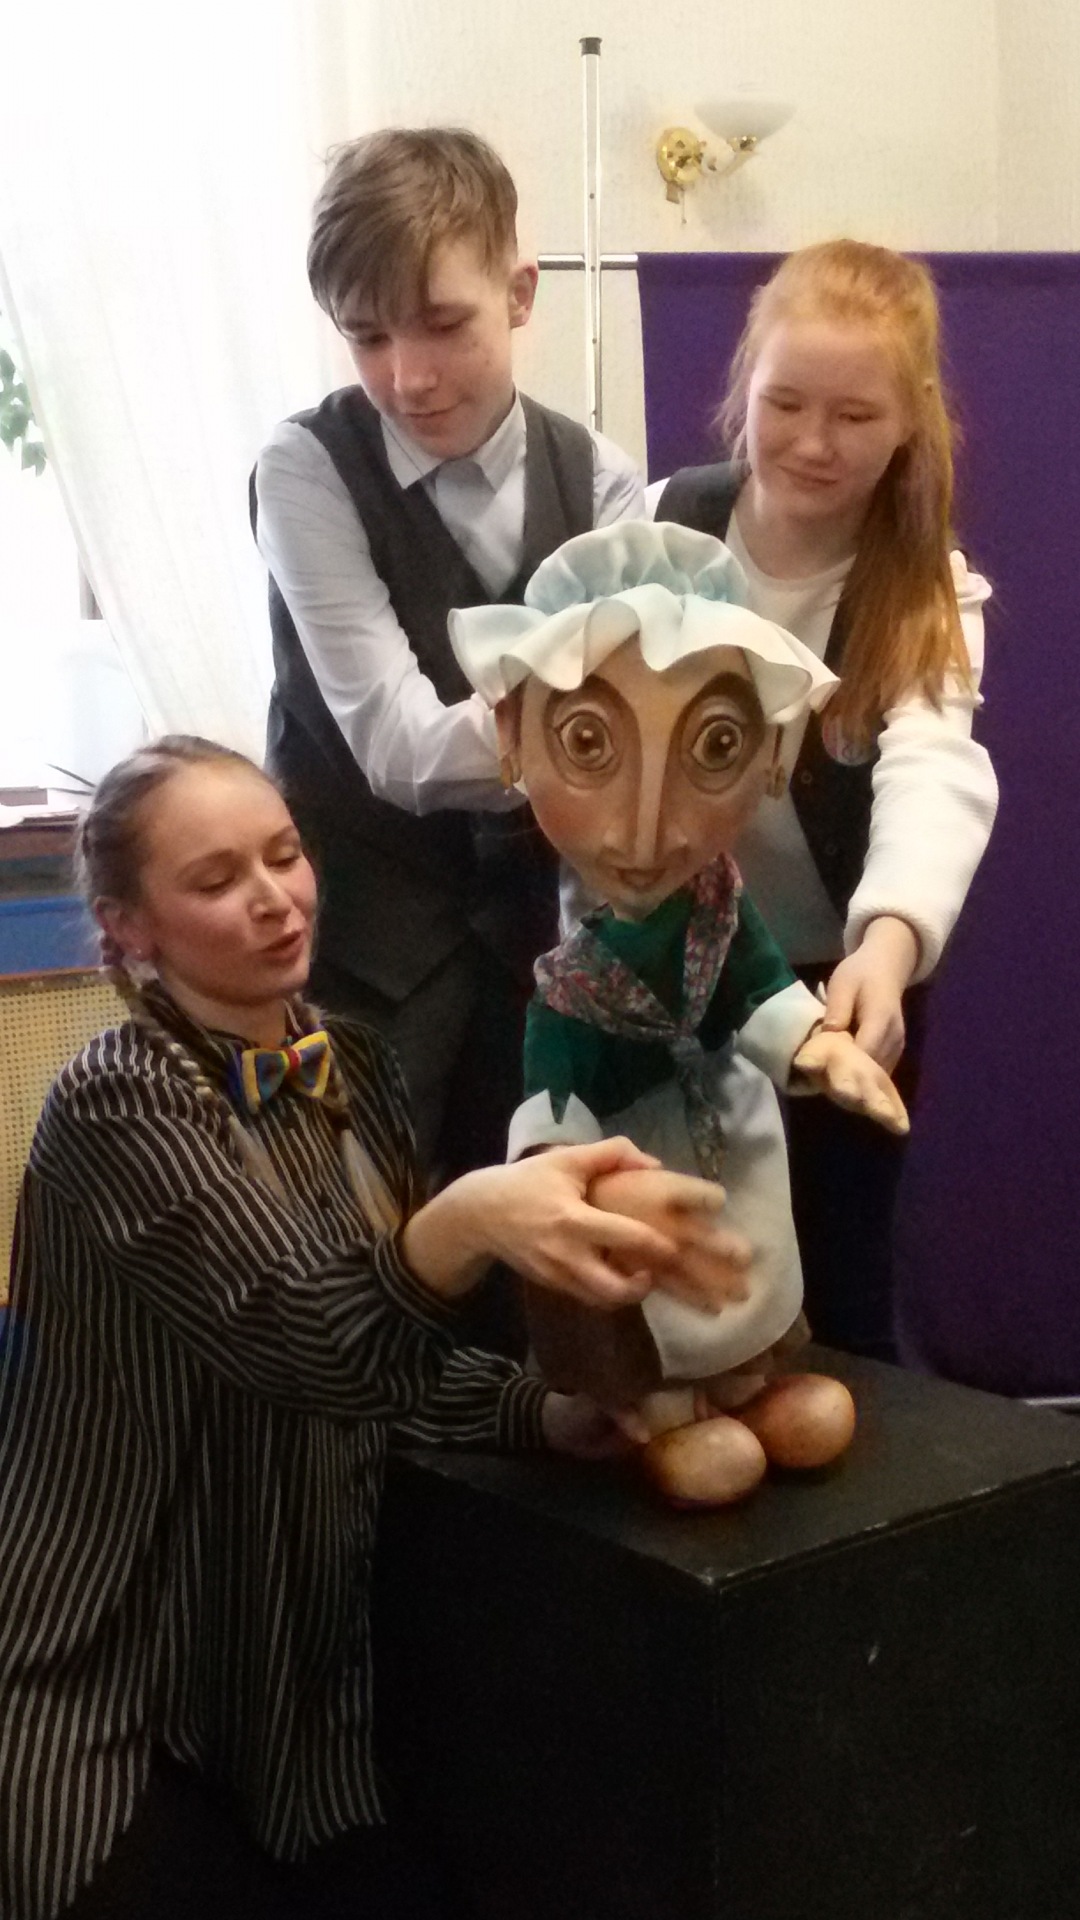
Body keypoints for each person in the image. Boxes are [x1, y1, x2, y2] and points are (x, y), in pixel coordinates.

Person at [0, 736, 746, 1920]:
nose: (274, 898)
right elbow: (305, 1338)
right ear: (128, 927)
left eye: (284, 854)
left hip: (294, 1701)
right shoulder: (116, 1101)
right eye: (216, 880)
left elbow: (391, 1363)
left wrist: (545, 1413)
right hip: (113, 1686)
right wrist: (469, 1217)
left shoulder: (351, 1063)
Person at [449, 520, 908, 1505]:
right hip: (641, 1174)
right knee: (662, 1294)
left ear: (772, 752)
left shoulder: (721, 910)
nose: (647, 823)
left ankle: (746, 1377)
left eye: (714, 746)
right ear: (513, 741)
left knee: (747, 1271)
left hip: (732, 1142)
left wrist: (819, 1046)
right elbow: (553, 1114)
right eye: (588, 744)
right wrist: (562, 1181)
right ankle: (660, 1408)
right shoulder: (570, 990)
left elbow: (761, 991)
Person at [252, 127, 643, 1182]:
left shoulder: (604, 481)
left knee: (540, 1243)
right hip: (358, 966)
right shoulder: (306, 471)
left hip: (545, 965)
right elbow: (400, 749)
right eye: (367, 336)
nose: (408, 376)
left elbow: (627, 742)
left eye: (442, 324)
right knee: (358, 1244)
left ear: (519, 294)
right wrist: (583, 733)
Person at [647, 240, 999, 1359]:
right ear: (743, 388)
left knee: (838, 1272)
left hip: (839, 981)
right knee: (671, 1269)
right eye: (785, 403)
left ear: (911, 421)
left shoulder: (924, 589)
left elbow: (932, 770)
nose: (811, 441)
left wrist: (888, 948)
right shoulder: (658, 529)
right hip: (664, 971)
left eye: (854, 415)